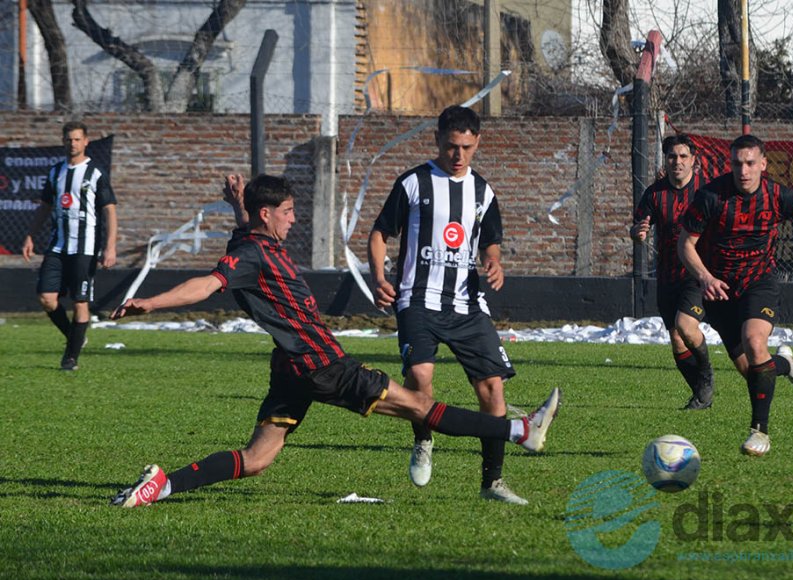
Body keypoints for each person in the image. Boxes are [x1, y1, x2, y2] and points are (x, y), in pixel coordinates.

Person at [109, 173, 560, 508]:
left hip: (291, 371)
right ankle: (519, 430)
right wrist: (151, 303)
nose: (294, 217)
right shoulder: (250, 254)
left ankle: (161, 486)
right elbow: (208, 284)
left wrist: (237, 204)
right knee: (420, 406)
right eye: (287, 211)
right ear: (267, 215)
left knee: (257, 458)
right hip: (322, 365)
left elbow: (244, 233)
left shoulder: (252, 238)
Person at [367, 105, 525, 504]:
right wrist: (380, 279)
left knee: (492, 388)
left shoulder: (483, 191)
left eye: (467, 148)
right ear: (437, 140)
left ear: (477, 144)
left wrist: (495, 263)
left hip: (467, 303)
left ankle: (492, 481)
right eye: (452, 146)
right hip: (417, 299)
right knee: (420, 378)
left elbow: (490, 242)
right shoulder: (414, 183)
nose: (459, 156)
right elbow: (380, 233)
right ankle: (423, 438)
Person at [677, 134, 793, 457]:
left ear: (763, 164)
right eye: (736, 163)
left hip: (759, 283)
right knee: (754, 371)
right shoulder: (711, 196)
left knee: (755, 342)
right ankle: (785, 365)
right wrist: (704, 277)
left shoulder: (778, 196)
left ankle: (760, 433)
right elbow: (684, 243)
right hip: (719, 290)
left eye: (749, 163)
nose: (743, 170)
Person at [21, 121, 118, 371]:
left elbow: (110, 210)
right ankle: (75, 338)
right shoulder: (55, 172)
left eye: (77, 139)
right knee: (46, 298)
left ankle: (70, 358)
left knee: (79, 302)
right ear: (63, 141)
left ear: (86, 141)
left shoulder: (95, 173)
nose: (72, 143)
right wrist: (31, 235)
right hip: (58, 246)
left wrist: (110, 247)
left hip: (85, 249)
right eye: (69, 139)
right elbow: (45, 206)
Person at [630, 134, 715, 410]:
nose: (677, 162)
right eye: (671, 157)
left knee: (686, 326)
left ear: (693, 160)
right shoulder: (655, 194)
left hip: (697, 273)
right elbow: (639, 228)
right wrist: (638, 234)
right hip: (667, 276)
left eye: (682, 156)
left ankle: (707, 377)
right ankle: (701, 396)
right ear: (665, 160)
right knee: (677, 341)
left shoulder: (707, 192)